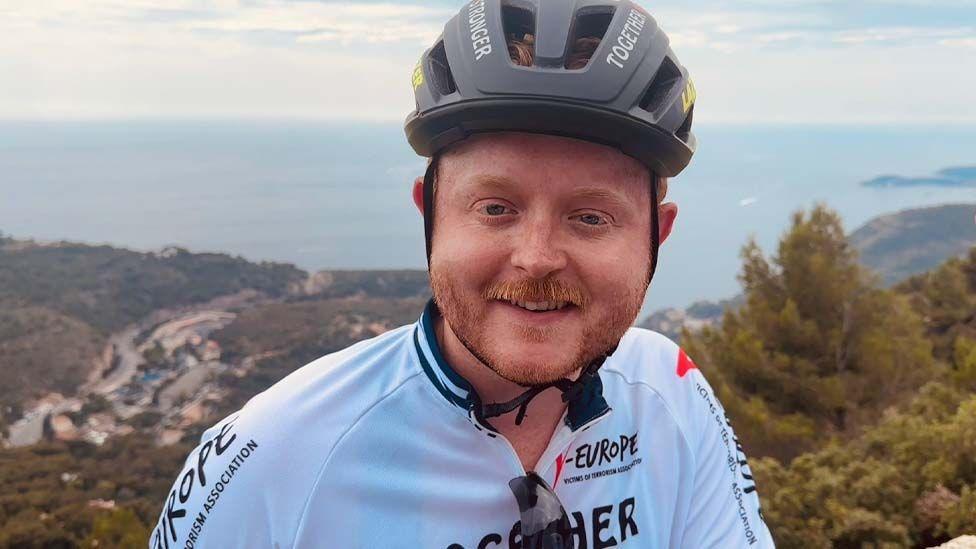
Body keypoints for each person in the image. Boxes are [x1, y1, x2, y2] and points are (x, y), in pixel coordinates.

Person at [151, 1, 775, 547]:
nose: (536, 258)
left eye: (590, 217)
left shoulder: (672, 396)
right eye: (495, 208)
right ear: (431, 217)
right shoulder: (274, 455)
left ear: (655, 236)